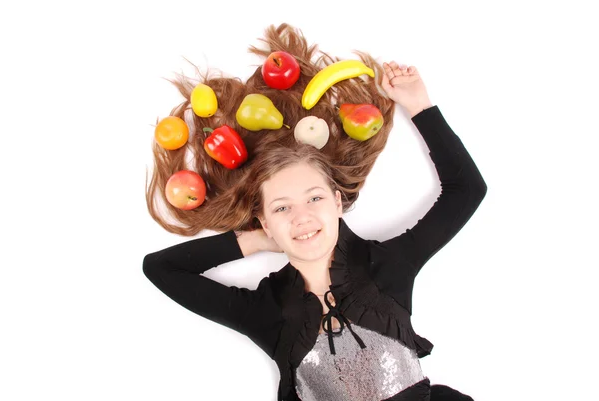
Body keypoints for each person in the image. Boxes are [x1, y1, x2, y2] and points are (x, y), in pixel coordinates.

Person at [143, 24, 487, 401]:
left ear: (337, 203)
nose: (301, 216)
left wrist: (419, 105)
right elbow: (161, 269)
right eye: (281, 207)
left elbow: (466, 190)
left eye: (315, 199)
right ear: (264, 220)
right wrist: (257, 241)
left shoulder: (386, 266)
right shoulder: (267, 311)